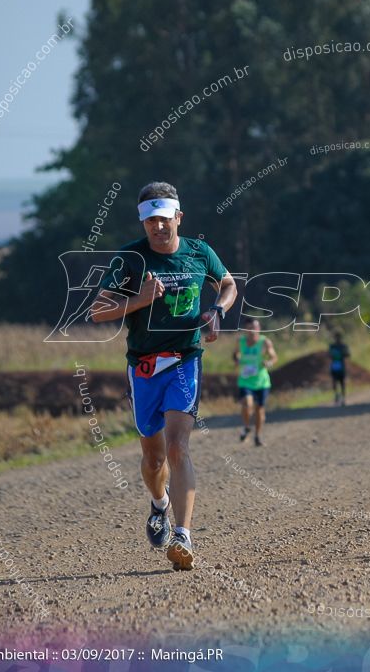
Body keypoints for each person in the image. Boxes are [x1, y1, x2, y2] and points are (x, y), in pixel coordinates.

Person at [90, 181, 237, 571]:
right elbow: (97, 311)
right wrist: (139, 299)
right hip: (143, 367)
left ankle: (183, 535)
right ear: (143, 221)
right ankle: (160, 504)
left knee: (177, 447)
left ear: (178, 217)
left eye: (163, 218)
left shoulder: (198, 252)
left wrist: (217, 311)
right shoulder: (129, 259)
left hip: (185, 359)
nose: (157, 226)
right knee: (154, 461)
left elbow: (227, 284)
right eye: (150, 220)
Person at [233, 319, 277, 447]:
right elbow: (236, 354)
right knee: (247, 404)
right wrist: (237, 359)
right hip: (245, 380)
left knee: (260, 410)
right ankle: (247, 426)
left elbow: (274, 356)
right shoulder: (240, 341)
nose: (252, 330)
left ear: (259, 328)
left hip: (261, 381)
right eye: (249, 328)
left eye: (254, 328)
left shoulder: (265, 342)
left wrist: (269, 362)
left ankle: (258, 436)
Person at [329, 332, 350, 405]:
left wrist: (343, 352)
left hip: (341, 366)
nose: (337, 339)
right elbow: (329, 355)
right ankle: (336, 394)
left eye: (339, 337)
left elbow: (348, 354)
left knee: (342, 382)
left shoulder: (343, 346)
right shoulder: (332, 346)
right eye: (336, 337)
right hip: (334, 366)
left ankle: (343, 398)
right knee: (334, 381)